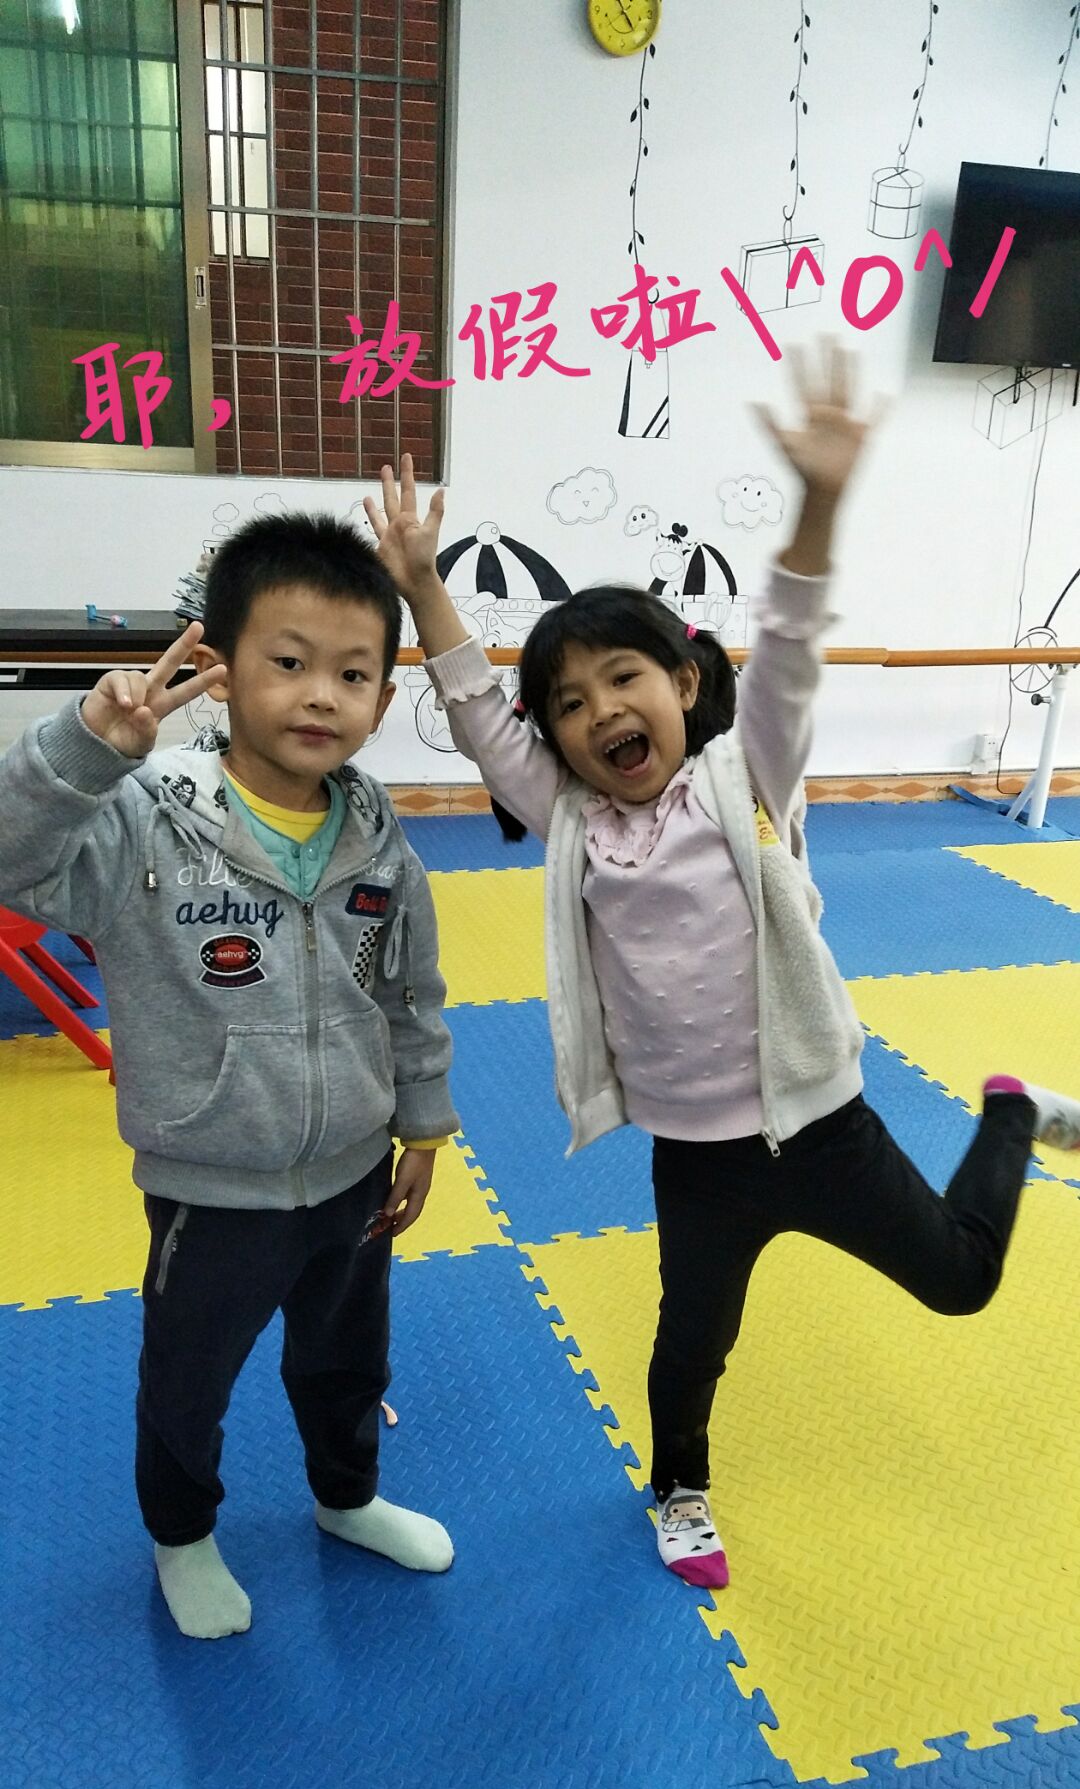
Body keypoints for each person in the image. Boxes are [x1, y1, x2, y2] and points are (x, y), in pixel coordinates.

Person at [364, 344, 1080, 1591]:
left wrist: (820, 500)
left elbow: (791, 644)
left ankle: (1010, 1118)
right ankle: (679, 1489)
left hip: (825, 1126)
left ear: (685, 683)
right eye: (569, 703)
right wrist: (423, 585)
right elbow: (479, 712)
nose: (600, 712)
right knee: (688, 1340)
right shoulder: (576, 819)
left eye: (623, 679)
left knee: (962, 1282)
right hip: (698, 1158)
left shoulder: (745, 776)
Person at [0, 512, 459, 1639]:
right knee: (188, 1384)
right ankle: (182, 1536)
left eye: (352, 674)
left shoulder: (377, 836)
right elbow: (12, 861)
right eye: (288, 662)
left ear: (382, 700)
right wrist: (85, 751)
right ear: (220, 666)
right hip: (211, 1188)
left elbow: (410, 991)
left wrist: (422, 1124)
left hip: (354, 1174)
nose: (320, 696)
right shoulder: (144, 822)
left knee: (347, 1361)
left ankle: (346, 1497)